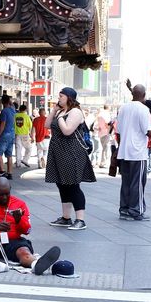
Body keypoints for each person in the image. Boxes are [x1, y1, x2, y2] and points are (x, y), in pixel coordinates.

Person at [0, 177, 61, 275]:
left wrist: (19, 220)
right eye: (0, 194)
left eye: (7, 194)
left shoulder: (20, 204)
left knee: (23, 250)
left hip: (12, 241)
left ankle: (34, 264)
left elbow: (27, 230)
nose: (4, 197)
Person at [44, 87, 96, 231]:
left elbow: (67, 131)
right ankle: (66, 218)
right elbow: (47, 125)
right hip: (58, 151)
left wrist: (60, 117)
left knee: (73, 185)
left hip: (71, 152)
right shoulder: (60, 111)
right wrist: (55, 111)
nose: (58, 98)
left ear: (68, 97)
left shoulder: (75, 112)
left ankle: (80, 219)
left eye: (61, 96)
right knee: (62, 184)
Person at [116, 84, 151, 221]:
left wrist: (120, 146)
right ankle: (136, 211)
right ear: (144, 95)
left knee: (126, 182)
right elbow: (148, 131)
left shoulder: (123, 108)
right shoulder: (144, 109)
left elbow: (119, 131)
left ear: (133, 94)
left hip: (124, 151)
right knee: (138, 182)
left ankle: (125, 209)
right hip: (137, 152)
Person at [0, 95, 17, 178]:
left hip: (5, 134)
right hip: (12, 134)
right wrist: (9, 101)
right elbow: (12, 104)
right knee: (9, 155)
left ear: (2, 102)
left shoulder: (4, 111)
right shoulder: (12, 110)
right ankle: (10, 173)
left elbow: (2, 124)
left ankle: (2, 171)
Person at [13, 104, 34, 168]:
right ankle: (25, 160)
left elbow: (13, 124)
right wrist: (31, 135)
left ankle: (18, 163)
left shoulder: (15, 116)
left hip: (17, 134)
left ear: (19, 109)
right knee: (29, 148)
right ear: (25, 110)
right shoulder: (27, 117)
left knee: (18, 149)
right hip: (25, 135)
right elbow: (30, 126)